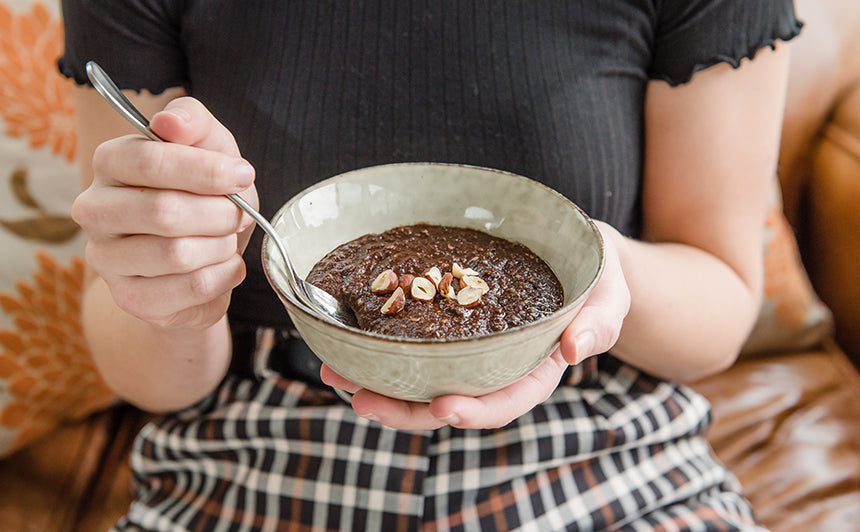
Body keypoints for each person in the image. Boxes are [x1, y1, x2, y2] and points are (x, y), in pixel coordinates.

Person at [59, 0, 800, 530]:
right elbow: (147, 373)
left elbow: (722, 304)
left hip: (596, 442)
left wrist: (609, 272)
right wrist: (175, 290)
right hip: (263, 444)